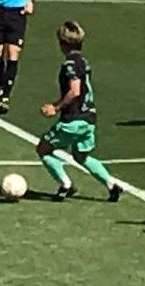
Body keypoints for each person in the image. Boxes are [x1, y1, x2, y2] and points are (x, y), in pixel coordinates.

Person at [35, 21, 124, 203]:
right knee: (81, 156)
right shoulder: (84, 62)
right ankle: (111, 184)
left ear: (63, 44)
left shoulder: (69, 65)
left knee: (43, 148)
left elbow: (75, 90)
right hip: (89, 118)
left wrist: (56, 106)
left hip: (72, 120)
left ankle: (65, 185)